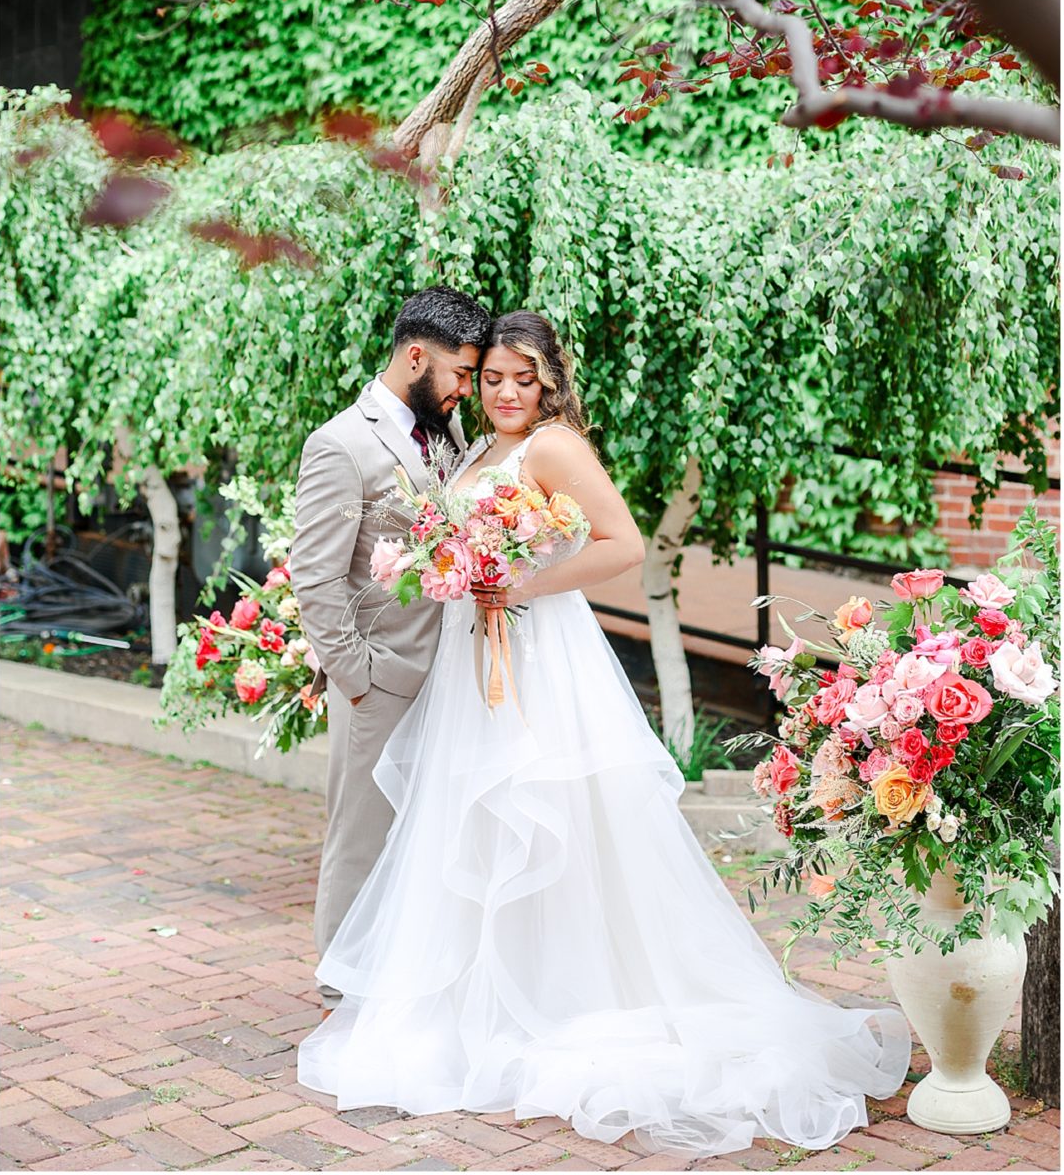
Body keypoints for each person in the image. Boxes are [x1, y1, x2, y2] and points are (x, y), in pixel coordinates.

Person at [298, 311, 911, 1155]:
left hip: (538, 655)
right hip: (471, 663)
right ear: (474, 383)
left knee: (546, 813)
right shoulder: (471, 453)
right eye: (492, 378)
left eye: (524, 378)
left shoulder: (552, 446)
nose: (506, 392)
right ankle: (481, 990)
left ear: (548, 381)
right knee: (473, 824)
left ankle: (564, 994)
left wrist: (520, 580)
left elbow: (620, 544)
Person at [289, 285, 491, 1011]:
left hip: (451, 678)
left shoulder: (447, 435)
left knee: (426, 834)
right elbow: (314, 576)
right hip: (382, 680)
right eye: (461, 373)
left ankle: (406, 971)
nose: (467, 388)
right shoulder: (340, 444)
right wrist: (357, 680)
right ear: (416, 357)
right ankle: (343, 983)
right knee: (361, 834)